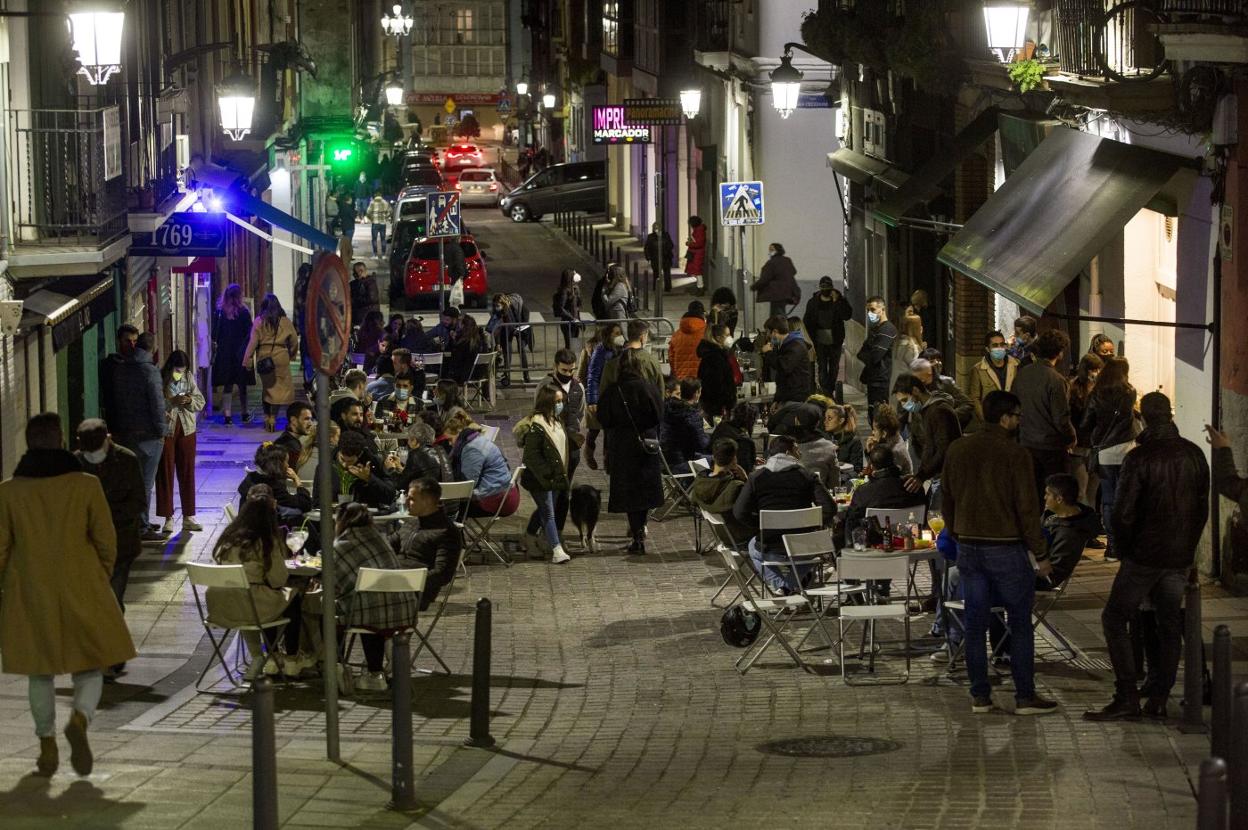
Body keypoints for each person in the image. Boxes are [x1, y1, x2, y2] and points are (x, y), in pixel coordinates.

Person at [0, 413, 137, 777]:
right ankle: (79, 717)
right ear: (62, 441)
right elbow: (107, 541)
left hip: (30, 590)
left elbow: (0, 549)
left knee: (38, 672)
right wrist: (98, 575)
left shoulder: (9, 491)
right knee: (91, 664)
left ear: (29, 443)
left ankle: (46, 743)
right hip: (84, 585)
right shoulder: (85, 485)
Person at [1085, 393, 1209, 721]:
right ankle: (1159, 695)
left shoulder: (1140, 458)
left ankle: (1127, 693)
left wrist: (1125, 550)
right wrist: (1190, 550)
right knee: (1168, 622)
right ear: (1169, 415)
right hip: (1178, 553)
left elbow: (1123, 513)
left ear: (1143, 417)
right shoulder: (1194, 453)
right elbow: (1201, 508)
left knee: (1115, 617)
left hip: (1144, 554)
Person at [941, 390, 1057, 716]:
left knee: (976, 623)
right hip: (1005, 547)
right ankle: (1024, 696)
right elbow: (1027, 508)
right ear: (1005, 418)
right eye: (1017, 417)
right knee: (1019, 622)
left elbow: (946, 497)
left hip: (969, 546)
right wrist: (1041, 553)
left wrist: (956, 530)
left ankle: (980, 696)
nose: (1019, 422)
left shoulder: (958, 448)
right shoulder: (1016, 454)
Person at [207, 485, 297, 678]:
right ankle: (290, 657)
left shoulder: (228, 538)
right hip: (251, 607)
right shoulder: (265, 542)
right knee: (293, 594)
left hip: (219, 607)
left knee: (249, 596)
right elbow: (279, 579)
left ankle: (260, 656)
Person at [331, 502, 420, 692]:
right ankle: (376, 670)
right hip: (405, 609)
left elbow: (335, 586)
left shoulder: (340, 546)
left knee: (330, 610)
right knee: (371, 605)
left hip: (370, 613)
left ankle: (337, 666)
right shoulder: (380, 538)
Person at [733, 435, 836, 594]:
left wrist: (761, 525)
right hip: (805, 547)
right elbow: (829, 508)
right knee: (811, 559)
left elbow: (739, 512)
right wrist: (812, 523)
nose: (800, 454)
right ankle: (795, 584)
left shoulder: (756, 478)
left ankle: (783, 586)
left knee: (752, 547)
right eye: (797, 450)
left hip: (770, 546)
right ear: (789, 452)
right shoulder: (807, 476)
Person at [74, 419, 145, 623]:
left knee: (113, 601)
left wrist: (105, 516)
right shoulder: (76, 463)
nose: (93, 455)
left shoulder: (127, 461)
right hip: (87, 545)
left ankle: (114, 648)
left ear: (108, 439)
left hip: (121, 544)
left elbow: (139, 502)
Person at [596, 349, 665, 553]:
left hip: (622, 445)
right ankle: (640, 528)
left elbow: (603, 418)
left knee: (629, 492)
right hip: (646, 443)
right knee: (644, 490)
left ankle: (636, 534)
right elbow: (659, 413)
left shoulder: (613, 391)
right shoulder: (648, 388)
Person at [111, 331, 166, 540]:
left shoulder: (121, 370)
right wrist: (162, 431)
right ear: (152, 348)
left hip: (127, 433)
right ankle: (142, 525)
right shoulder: (150, 371)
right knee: (145, 483)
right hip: (149, 435)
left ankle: (138, 521)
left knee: (131, 481)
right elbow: (157, 403)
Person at [1013, 328, 1076, 505]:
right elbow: (1061, 418)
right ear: (1060, 352)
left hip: (1026, 442)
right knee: (1054, 497)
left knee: (1031, 496)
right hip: (1051, 449)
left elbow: (1015, 404)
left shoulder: (1023, 374)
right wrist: (1071, 437)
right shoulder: (1056, 380)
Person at [1081, 356, 1135, 560]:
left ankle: (1112, 546)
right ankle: (1125, 543)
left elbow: (1086, 423)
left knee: (1108, 499)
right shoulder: (1129, 392)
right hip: (1126, 450)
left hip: (1104, 451)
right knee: (1126, 498)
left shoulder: (1096, 393)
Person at [515, 385, 573, 564]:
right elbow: (531, 456)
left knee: (546, 509)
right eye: (557, 401)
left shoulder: (556, 421)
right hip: (540, 479)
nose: (560, 404)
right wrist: (547, 474)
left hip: (555, 476)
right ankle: (556, 549)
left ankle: (530, 536)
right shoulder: (537, 426)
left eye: (561, 401)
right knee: (548, 512)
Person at [388, 478, 461, 609]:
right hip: (391, 581)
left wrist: (405, 580)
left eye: (411, 499)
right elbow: (388, 545)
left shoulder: (446, 531)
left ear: (427, 502)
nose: (405, 502)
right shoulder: (412, 522)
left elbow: (442, 573)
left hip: (416, 592)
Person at [155, 350, 205, 533]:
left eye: (182, 370)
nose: (180, 373)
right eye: (177, 369)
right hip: (168, 429)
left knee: (187, 471)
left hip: (187, 428)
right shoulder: (160, 378)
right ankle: (168, 517)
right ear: (170, 367)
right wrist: (171, 402)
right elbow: (157, 403)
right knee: (165, 472)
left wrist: (189, 400)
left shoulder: (189, 378)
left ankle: (188, 516)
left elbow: (200, 401)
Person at [892, 373, 961, 500]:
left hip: (947, 477)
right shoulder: (927, 411)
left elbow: (943, 449)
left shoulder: (939, 411)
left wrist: (921, 476)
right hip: (938, 476)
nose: (903, 406)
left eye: (905, 400)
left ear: (915, 391)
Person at [445, 409, 519, 518]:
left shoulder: (472, 449)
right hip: (503, 494)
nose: (449, 443)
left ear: (458, 433)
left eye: (450, 439)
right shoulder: (477, 439)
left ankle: (454, 534)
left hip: (498, 500)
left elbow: (467, 485)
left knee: (446, 508)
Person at [243, 293, 299, 433]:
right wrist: (291, 355)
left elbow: (252, 342)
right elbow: (294, 341)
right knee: (279, 390)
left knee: (268, 390)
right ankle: (273, 417)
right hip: (281, 357)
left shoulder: (259, 321)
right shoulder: (285, 321)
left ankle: (267, 417)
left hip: (264, 358)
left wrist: (247, 358)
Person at [844, 444, 928, 533]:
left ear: (872, 466)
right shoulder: (914, 487)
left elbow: (852, 520)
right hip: (910, 540)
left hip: (875, 542)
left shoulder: (863, 492)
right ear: (894, 461)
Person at [1040, 473, 1102, 589]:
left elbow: (1054, 572)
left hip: (1042, 577)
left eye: (1047, 494)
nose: (1044, 498)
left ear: (1059, 499)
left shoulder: (1069, 533)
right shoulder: (1054, 514)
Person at [690, 439, 753, 545]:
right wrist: (746, 480)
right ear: (734, 460)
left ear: (714, 457)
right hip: (739, 534)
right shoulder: (735, 486)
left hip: (722, 533)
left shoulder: (700, 481)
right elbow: (751, 505)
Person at [803, 276, 853, 400]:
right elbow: (807, 321)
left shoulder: (839, 300)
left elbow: (847, 315)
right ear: (820, 288)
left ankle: (829, 389)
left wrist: (838, 301)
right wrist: (809, 341)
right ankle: (827, 392)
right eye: (823, 287)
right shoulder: (813, 302)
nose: (826, 290)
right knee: (822, 367)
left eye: (828, 287)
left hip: (835, 340)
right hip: (819, 341)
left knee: (834, 367)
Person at [211, 285, 254, 425]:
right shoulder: (244, 313)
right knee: (242, 385)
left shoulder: (220, 312)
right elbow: (250, 333)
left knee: (227, 385)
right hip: (240, 352)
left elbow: (214, 334)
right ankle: (244, 412)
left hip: (224, 353)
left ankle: (227, 415)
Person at [237, 445, 313, 523]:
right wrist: (297, 481)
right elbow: (306, 504)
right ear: (277, 465)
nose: (288, 465)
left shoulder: (250, 478)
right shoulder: (273, 488)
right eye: (286, 462)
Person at [584, 322, 623, 470]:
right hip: (600, 395)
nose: (619, 336)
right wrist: (592, 399)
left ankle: (608, 460)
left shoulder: (621, 350)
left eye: (620, 333)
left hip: (613, 396)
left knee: (609, 430)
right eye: (616, 333)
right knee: (594, 429)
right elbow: (593, 376)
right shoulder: (600, 351)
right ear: (609, 336)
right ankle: (589, 452)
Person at [1068, 353, 1105, 511]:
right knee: (1081, 489)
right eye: (1092, 369)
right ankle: (1082, 525)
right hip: (1079, 444)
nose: (1095, 373)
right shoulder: (1074, 388)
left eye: (1098, 369)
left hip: (1096, 445)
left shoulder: (1101, 389)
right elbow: (1070, 415)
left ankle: (1091, 523)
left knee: (1093, 489)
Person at [327, 430, 399, 509]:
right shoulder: (327, 464)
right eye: (342, 460)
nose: (345, 465)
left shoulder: (373, 463)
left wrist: (369, 478)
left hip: (366, 516)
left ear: (360, 455)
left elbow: (390, 496)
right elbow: (317, 501)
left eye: (350, 461)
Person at [857, 296, 897, 426]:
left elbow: (875, 356)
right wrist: (869, 353)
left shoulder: (887, 330)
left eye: (873, 309)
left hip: (881, 380)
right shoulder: (875, 329)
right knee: (872, 413)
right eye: (868, 310)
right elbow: (860, 353)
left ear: (882, 309)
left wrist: (869, 353)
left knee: (879, 416)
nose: (870, 313)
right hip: (873, 379)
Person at [910, 357, 978, 433]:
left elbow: (968, 403)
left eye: (921, 377)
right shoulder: (912, 388)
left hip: (946, 433)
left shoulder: (946, 383)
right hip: (922, 435)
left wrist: (948, 417)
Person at [600, 320, 665, 396]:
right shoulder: (652, 362)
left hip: (619, 406)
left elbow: (603, 392)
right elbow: (660, 391)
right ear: (642, 337)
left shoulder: (612, 364)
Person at [661, 378, 711, 473]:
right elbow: (702, 445)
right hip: (684, 463)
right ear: (696, 393)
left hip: (666, 463)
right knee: (721, 460)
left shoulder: (666, 409)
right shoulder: (691, 414)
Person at [760, 315, 813, 404]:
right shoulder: (786, 344)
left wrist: (768, 353)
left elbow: (783, 367)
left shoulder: (795, 345)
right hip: (788, 397)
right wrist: (777, 400)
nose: (767, 336)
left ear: (775, 332)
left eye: (767, 332)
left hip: (796, 399)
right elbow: (782, 378)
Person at [968, 330, 1019, 421]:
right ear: (988, 349)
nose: (999, 348)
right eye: (995, 345)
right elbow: (974, 398)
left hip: (1012, 418)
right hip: (992, 419)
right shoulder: (978, 370)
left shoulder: (1016, 365)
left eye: (1002, 344)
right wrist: (984, 419)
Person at [487, 292, 532, 387]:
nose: (496, 308)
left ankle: (526, 375)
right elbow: (497, 328)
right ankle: (507, 376)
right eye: (495, 306)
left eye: (498, 306)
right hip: (507, 329)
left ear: (503, 304)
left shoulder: (513, 307)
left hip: (519, 325)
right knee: (507, 352)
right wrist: (498, 343)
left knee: (521, 350)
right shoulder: (497, 311)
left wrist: (522, 327)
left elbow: (525, 314)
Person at [697, 324, 739, 423]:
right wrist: (727, 401)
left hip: (715, 405)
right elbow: (717, 385)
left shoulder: (717, 354)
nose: (730, 338)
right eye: (727, 335)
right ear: (719, 338)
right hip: (717, 406)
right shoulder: (715, 358)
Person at [99, 323, 139, 424]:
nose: (132, 346)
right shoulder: (110, 365)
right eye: (127, 341)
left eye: (135, 341)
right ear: (119, 341)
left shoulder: (138, 365)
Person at [393, 421, 451, 490]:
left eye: (408, 439)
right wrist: (400, 467)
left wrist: (391, 469)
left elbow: (400, 485)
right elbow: (421, 473)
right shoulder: (441, 450)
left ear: (414, 440)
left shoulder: (416, 454)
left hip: (426, 497)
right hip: (445, 496)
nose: (407, 443)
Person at [752, 242, 800, 319]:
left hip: (776, 294)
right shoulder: (787, 260)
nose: (770, 252)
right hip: (787, 293)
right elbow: (793, 271)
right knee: (780, 312)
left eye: (772, 249)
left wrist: (754, 286)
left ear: (778, 250)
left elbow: (765, 278)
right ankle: (779, 328)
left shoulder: (772, 263)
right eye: (769, 250)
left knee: (777, 314)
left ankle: (780, 329)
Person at [273, 401, 318, 481]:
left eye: (311, 419)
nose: (311, 423)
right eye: (306, 419)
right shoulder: (289, 446)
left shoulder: (287, 438)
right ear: (293, 420)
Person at [711, 401, 759, 473]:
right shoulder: (745, 441)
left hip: (714, 472)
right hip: (733, 479)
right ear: (752, 420)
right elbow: (746, 469)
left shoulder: (721, 427)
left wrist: (752, 458)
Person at [867, 404, 912, 477]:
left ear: (884, 433)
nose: (873, 432)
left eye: (875, 430)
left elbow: (878, 475)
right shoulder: (893, 439)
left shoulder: (894, 451)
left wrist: (872, 452)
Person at [669, 300, 707, 380]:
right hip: (702, 377)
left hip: (681, 378)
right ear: (702, 315)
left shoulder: (676, 335)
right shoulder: (707, 333)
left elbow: (671, 357)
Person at [444, 315, 487, 384]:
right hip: (481, 373)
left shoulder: (465, 342)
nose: (457, 326)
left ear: (464, 326)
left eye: (459, 324)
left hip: (466, 374)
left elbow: (457, 359)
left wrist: (453, 341)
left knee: (444, 370)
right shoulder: (479, 339)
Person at [826, 403, 864, 474]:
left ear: (841, 421)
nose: (825, 422)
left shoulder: (854, 441)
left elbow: (856, 470)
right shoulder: (825, 439)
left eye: (829, 418)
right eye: (825, 418)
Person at [552, 269, 583, 349]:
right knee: (570, 347)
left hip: (575, 323)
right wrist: (572, 318)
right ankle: (568, 361)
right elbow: (560, 308)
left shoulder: (574, 289)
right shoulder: (564, 291)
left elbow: (577, 307)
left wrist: (579, 320)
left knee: (576, 347)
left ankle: (575, 361)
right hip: (567, 323)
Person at [645, 221, 675, 291]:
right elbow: (647, 248)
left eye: (658, 228)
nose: (656, 230)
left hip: (666, 258)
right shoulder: (650, 237)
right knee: (656, 274)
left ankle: (668, 288)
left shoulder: (666, 235)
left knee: (667, 273)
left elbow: (671, 245)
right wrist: (648, 258)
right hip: (655, 258)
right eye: (655, 228)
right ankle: (656, 288)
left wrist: (666, 251)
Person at [356, 310, 387, 374]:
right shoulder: (380, 332)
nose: (383, 322)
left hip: (360, 360)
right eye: (381, 320)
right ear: (377, 321)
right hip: (373, 361)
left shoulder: (361, 332)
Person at [365, 192, 392, 257]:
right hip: (383, 223)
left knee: (374, 239)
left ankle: (375, 255)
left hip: (375, 223)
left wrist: (371, 219)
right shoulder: (385, 202)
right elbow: (390, 211)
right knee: (383, 239)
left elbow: (368, 212)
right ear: (381, 195)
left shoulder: (372, 202)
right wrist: (386, 217)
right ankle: (383, 254)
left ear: (375, 195)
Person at [683, 216, 706, 291]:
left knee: (697, 271)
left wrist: (689, 244)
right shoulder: (697, 230)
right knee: (695, 271)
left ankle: (700, 287)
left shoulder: (699, 231)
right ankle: (698, 286)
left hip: (697, 254)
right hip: (695, 253)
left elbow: (699, 243)